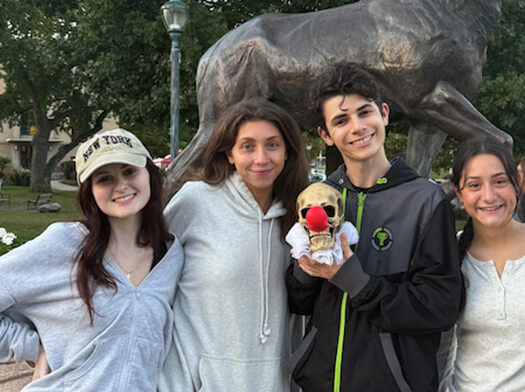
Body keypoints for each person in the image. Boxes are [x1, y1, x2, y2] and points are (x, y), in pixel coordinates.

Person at [286, 63, 464, 392]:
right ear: (326, 134)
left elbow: (439, 308)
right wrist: (305, 270)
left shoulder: (425, 201)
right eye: (340, 120)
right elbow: (299, 303)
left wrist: (358, 282)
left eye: (364, 112)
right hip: (319, 383)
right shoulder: (320, 199)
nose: (356, 127)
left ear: (383, 114)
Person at [0, 128, 183, 391]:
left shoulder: (171, 256)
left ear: (149, 174)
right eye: (104, 178)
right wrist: (35, 345)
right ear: (90, 192)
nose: (121, 186)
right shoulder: (64, 245)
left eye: (129, 171)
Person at [158, 98, 309, 391]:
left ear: (288, 151)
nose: (261, 158)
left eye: (272, 145)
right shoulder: (195, 201)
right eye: (248, 146)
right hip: (196, 383)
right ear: (229, 154)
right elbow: (148, 281)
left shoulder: (300, 215)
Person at [438, 137, 525, 391]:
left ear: (517, 184)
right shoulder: (448, 256)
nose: (489, 196)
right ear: (459, 192)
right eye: (474, 185)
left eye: (499, 182)